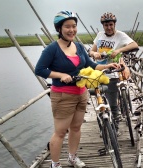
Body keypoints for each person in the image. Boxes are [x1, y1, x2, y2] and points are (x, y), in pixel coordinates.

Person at [35, 10, 119, 168]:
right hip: (62, 95)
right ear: (59, 29)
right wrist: (60, 75)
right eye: (67, 26)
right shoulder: (52, 49)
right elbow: (39, 69)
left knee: (76, 128)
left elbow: (91, 65)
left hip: (81, 94)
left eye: (74, 26)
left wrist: (107, 65)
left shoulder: (79, 46)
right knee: (60, 132)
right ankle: (55, 164)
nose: (71, 30)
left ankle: (72, 158)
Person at [89, 12, 139, 135]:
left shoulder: (120, 35)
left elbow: (135, 45)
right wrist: (94, 54)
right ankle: (105, 122)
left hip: (113, 72)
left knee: (112, 102)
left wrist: (118, 50)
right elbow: (91, 50)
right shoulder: (100, 35)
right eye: (106, 25)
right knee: (99, 98)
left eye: (111, 24)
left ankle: (115, 125)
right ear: (103, 26)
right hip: (100, 71)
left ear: (114, 24)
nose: (109, 27)